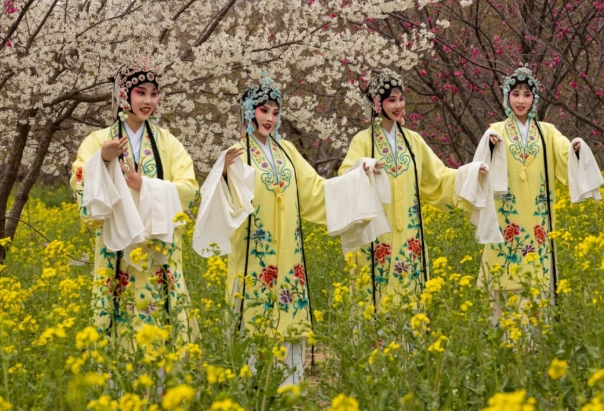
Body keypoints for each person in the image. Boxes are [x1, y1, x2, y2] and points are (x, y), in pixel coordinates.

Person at [193, 74, 384, 386]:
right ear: (248, 111)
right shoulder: (237, 152)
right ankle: (250, 393)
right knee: (252, 328)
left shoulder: (288, 153)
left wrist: (358, 175)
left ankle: (290, 392)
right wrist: (224, 172)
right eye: (263, 110)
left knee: (289, 327)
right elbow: (220, 203)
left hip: (289, 259)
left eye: (275, 111)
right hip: (253, 258)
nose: (269, 118)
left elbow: (317, 192)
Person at [70, 54, 199, 346]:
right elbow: (78, 178)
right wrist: (102, 160)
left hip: (157, 247)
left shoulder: (168, 142)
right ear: (123, 95)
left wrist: (147, 186)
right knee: (118, 311)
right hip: (116, 248)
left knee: (159, 314)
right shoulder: (98, 139)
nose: (148, 101)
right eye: (141, 92)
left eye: (154, 94)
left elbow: (189, 187)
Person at [339, 69, 490, 308]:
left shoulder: (413, 141)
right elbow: (345, 176)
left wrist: (470, 172)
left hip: (410, 235)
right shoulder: (363, 141)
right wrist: (365, 168)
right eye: (391, 100)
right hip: (377, 235)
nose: (398, 105)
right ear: (377, 104)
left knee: (409, 296)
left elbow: (438, 178)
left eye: (401, 99)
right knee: (374, 298)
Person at [474, 64, 604, 325]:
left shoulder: (547, 132)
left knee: (538, 278)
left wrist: (576, 148)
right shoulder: (495, 130)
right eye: (515, 94)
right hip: (507, 216)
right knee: (505, 274)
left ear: (534, 99)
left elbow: (564, 152)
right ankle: (506, 340)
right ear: (506, 97)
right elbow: (480, 168)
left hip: (538, 218)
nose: (521, 100)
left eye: (527, 94)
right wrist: (489, 148)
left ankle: (538, 343)